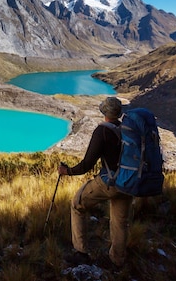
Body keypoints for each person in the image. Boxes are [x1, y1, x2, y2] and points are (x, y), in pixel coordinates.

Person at [58, 96, 133, 268]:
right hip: (127, 182)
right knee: (120, 221)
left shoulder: (102, 131)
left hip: (109, 182)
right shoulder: (126, 129)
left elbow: (86, 164)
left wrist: (67, 171)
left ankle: (81, 252)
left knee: (77, 205)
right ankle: (117, 261)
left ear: (104, 112)